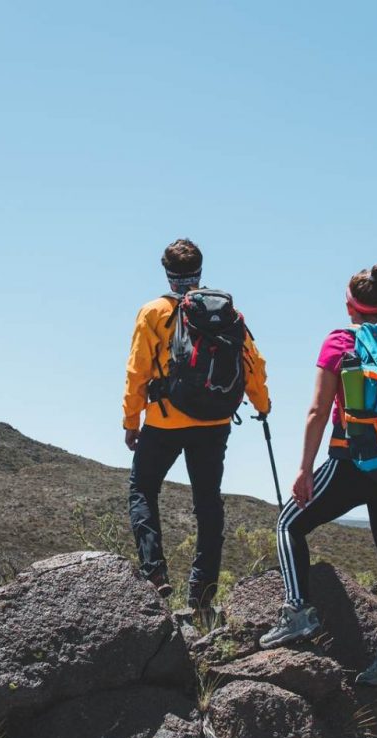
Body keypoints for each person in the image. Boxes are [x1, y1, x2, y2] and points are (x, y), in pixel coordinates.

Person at [260, 263, 377, 689]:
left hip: (354, 461)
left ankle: (297, 612)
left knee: (288, 523)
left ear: (350, 304)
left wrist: (304, 468)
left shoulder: (341, 340)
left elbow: (318, 410)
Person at [122, 238, 271, 611]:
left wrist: (131, 421)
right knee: (207, 502)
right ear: (200, 272)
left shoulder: (153, 312)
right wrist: (262, 405)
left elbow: (137, 371)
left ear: (168, 275)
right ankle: (202, 592)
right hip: (214, 421)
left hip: (165, 419)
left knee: (142, 490)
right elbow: (253, 362)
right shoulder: (227, 314)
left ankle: (155, 574)